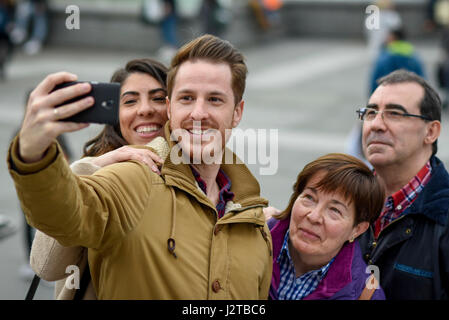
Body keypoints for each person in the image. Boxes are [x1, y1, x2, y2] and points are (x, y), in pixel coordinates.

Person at [8, 34, 272, 299]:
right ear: (173, 108)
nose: (198, 113)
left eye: (214, 99)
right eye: (187, 98)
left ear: (237, 112)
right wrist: (36, 155)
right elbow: (62, 222)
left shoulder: (250, 213)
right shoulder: (126, 179)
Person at [29, 58, 169, 299]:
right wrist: (89, 168)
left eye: (157, 98)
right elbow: (46, 266)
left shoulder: (199, 175)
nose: (145, 109)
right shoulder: (95, 173)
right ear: (115, 114)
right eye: (130, 101)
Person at [357, 69, 449, 299]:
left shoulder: (443, 219)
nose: (376, 124)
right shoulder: (342, 195)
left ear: (431, 131)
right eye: (370, 112)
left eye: (395, 114)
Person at [267, 153, 386, 300]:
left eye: (335, 210)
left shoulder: (366, 294)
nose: (314, 216)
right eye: (309, 198)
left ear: (357, 229)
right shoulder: (250, 239)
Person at [369, 28, 425, 95]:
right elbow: (422, 78)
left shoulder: (385, 56)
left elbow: (376, 78)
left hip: (387, 96)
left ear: (393, 37)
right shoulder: (414, 55)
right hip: (411, 96)